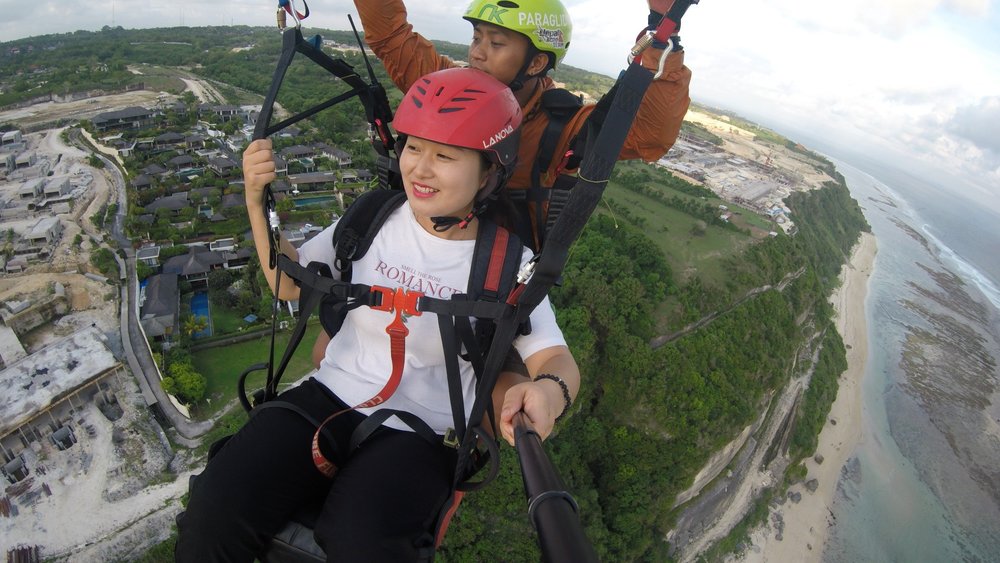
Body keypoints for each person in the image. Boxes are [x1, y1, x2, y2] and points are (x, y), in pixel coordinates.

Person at [175, 67, 580, 562]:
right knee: (213, 512)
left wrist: (548, 392)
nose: (420, 169)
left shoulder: (504, 262)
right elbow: (287, 280)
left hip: (423, 431)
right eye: (413, 147)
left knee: (363, 542)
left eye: (445, 155)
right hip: (328, 396)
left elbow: (555, 359)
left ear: (488, 171)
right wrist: (257, 203)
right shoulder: (372, 217)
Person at [354, 0, 692, 248]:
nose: (477, 53)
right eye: (477, 38)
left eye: (496, 43)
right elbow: (392, 38)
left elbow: (650, 136)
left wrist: (663, 38)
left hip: (494, 269)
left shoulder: (560, 125)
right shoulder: (446, 88)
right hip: (412, 241)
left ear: (537, 63)